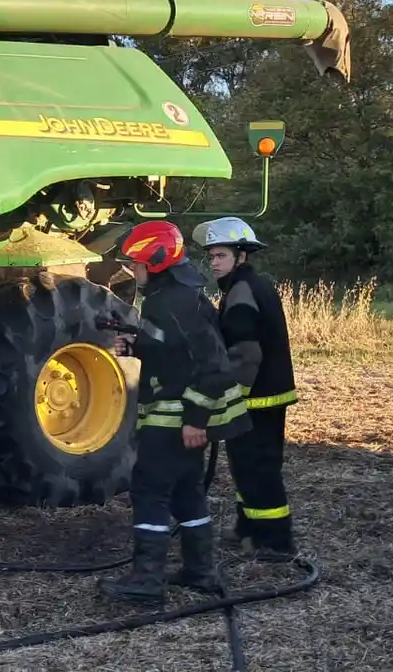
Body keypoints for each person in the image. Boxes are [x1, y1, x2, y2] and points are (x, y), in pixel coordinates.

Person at [98, 221, 251, 603]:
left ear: (156, 261)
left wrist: (196, 421)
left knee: (149, 490)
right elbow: (175, 350)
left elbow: (214, 364)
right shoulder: (174, 296)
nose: (132, 270)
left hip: (175, 421)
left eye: (136, 264)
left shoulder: (173, 303)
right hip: (177, 420)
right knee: (186, 492)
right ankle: (200, 571)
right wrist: (139, 346)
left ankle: (146, 582)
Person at [192, 217, 298, 561]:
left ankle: (275, 543)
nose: (214, 263)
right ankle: (246, 528)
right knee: (248, 465)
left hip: (255, 398)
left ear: (241, 256)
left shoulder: (241, 292)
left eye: (220, 255)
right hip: (265, 396)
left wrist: (229, 397)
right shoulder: (253, 285)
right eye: (211, 257)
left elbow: (245, 353)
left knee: (258, 468)